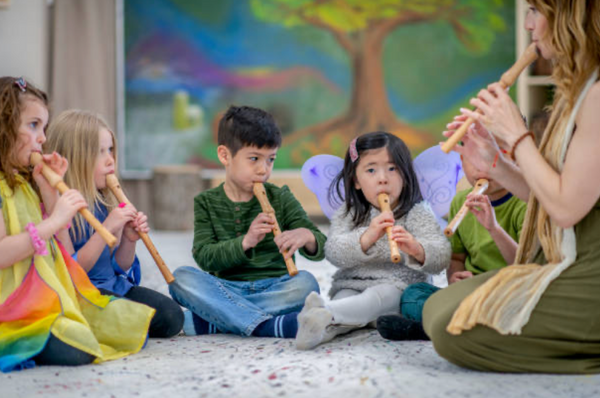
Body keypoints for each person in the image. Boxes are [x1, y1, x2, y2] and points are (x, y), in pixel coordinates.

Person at [423, 0, 600, 373]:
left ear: (571, 16)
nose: (528, 25)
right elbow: (550, 194)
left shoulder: (598, 96)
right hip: (564, 258)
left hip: (590, 274)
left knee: (450, 330)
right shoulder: (577, 92)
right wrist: (495, 163)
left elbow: (566, 209)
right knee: (437, 306)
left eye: (536, 10)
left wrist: (516, 136)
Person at [0, 77, 153, 373]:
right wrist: (56, 220)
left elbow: (62, 261)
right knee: (79, 351)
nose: (42, 138)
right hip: (10, 303)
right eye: (33, 126)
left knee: (132, 327)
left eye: (43, 128)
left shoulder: (24, 184)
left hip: (47, 295)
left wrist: (47, 189)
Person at [168, 105, 327, 338]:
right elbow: (204, 257)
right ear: (225, 156)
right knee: (180, 279)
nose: (263, 170)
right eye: (254, 159)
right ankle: (269, 326)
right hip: (226, 288)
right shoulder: (206, 202)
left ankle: (215, 321)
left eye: (270, 160)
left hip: (276, 286)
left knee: (306, 284)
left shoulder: (280, 197)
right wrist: (246, 241)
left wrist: (307, 236)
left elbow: (321, 245)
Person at [295, 132, 451, 350]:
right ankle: (317, 329)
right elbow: (333, 252)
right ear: (356, 181)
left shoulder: (418, 212)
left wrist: (418, 249)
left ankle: (327, 312)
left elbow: (442, 256)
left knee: (378, 298)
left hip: (397, 287)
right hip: (353, 284)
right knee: (346, 302)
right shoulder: (348, 213)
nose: (382, 178)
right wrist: (366, 237)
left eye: (392, 168)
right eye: (371, 170)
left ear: (405, 175)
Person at [44, 110, 183, 338]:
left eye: (110, 150)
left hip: (114, 287)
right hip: (83, 293)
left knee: (171, 317)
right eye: (100, 152)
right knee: (130, 324)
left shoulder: (105, 200)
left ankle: (112, 324)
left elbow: (118, 265)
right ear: (76, 158)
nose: (111, 159)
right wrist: (106, 228)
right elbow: (74, 272)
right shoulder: (61, 207)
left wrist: (129, 239)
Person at [376, 155, 526, 341]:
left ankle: (434, 328)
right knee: (412, 296)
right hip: (468, 295)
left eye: (492, 158)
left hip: (509, 293)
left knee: (518, 310)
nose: (482, 169)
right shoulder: (460, 201)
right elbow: (456, 259)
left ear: (516, 161)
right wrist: (455, 280)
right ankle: (459, 326)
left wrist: (493, 228)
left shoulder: (526, 203)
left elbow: (526, 266)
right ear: (462, 160)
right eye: (474, 159)